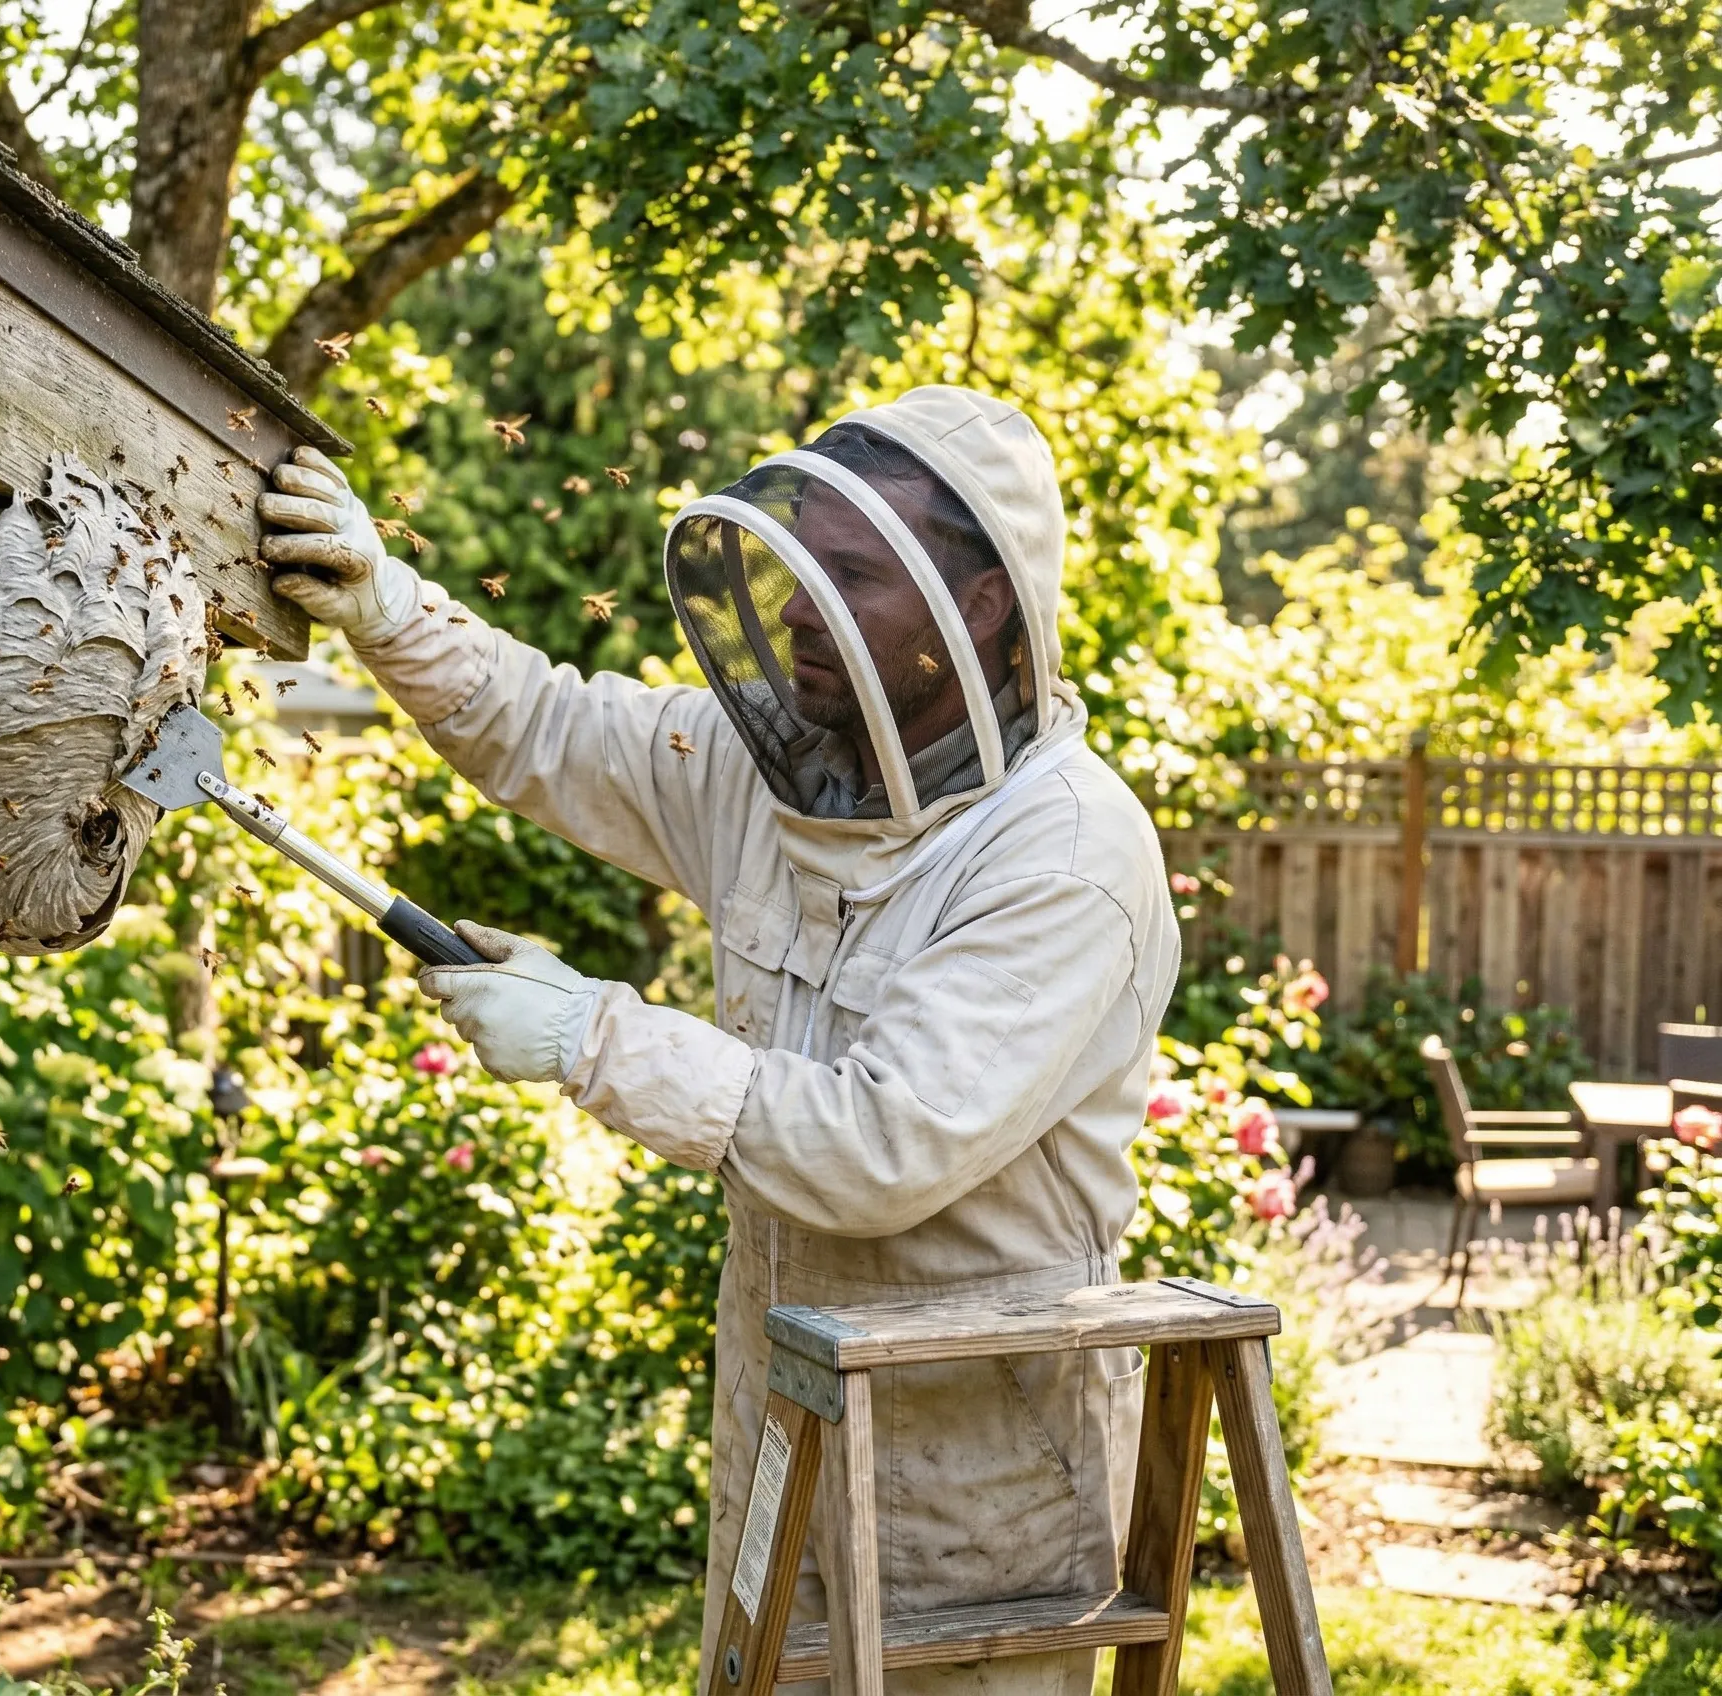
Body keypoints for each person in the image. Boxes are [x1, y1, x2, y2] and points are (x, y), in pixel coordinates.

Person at [259, 387, 1178, 1696]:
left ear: (975, 613)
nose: (798, 607)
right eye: (798, 560)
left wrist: (595, 1036)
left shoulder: (1061, 857)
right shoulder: (779, 774)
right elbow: (560, 731)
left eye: (848, 576)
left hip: (983, 1472)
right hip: (787, 1419)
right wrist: (385, 607)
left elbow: (881, 1145)